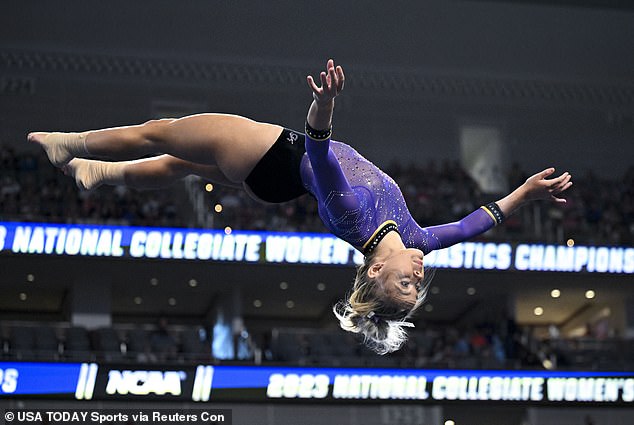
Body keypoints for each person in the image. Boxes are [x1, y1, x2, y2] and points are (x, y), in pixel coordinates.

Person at [29, 59, 573, 354]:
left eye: (405, 284)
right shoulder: (417, 239)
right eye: (417, 286)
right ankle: (98, 173)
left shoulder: (352, 216)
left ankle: (72, 143)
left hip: (278, 155)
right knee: (179, 164)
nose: (419, 276)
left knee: (162, 133)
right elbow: (473, 223)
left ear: (377, 270)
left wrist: (325, 104)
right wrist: (525, 192)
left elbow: (319, 152)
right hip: (274, 179)